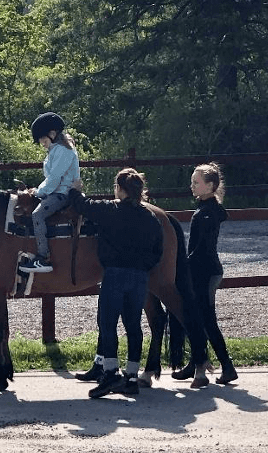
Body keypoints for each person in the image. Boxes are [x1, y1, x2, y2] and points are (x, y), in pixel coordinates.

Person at [70, 168, 163, 398]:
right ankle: (131, 377)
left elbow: (83, 205)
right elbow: (157, 251)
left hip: (114, 274)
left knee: (108, 323)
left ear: (119, 190)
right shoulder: (150, 217)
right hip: (139, 276)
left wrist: (75, 190)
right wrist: (143, 267)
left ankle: (110, 373)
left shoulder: (110, 210)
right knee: (133, 325)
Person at [171, 163, 238, 385]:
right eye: (192, 182)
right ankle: (195, 363)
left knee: (207, 320)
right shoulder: (204, 208)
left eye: (196, 182)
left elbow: (202, 248)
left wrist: (183, 266)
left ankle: (227, 367)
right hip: (202, 271)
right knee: (196, 318)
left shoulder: (209, 212)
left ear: (210, 186)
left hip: (206, 272)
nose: (192, 186)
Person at [18, 112, 80, 274]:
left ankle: (43, 257)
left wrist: (38, 192)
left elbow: (54, 179)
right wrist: (37, 190)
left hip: (62, 194)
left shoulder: (62, 151)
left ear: (52, 134)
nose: (42, 144)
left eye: (43, 140)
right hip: (56, 191)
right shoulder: (56, 149)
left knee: (37, 215)